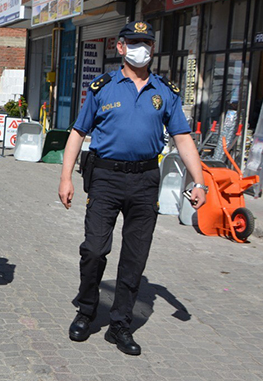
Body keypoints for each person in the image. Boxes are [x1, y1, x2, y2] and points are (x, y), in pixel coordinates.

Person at [57, 21, 207, 356]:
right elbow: (78, 133)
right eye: (134, 42)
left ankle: (120, 324)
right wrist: (66, 177)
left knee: (135, 257)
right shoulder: (103, 87)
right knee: (95, 249)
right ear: (121, 47)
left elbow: (182, 138)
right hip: (106, 177)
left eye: (147, 43)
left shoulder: (164, 92)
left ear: (153, 49)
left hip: (145, 179)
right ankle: (86, 309)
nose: (142, 48)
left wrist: (199, 181)